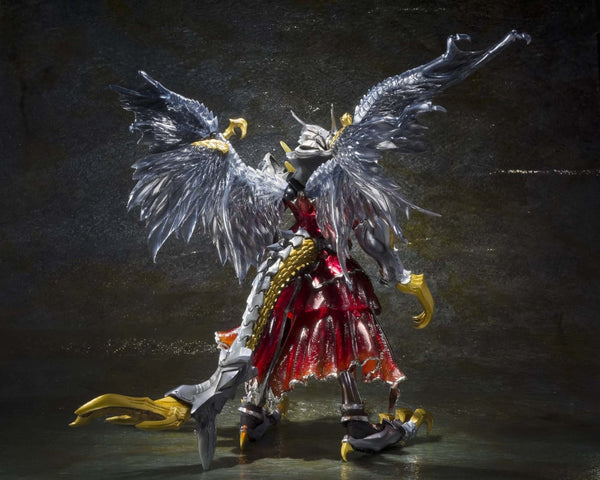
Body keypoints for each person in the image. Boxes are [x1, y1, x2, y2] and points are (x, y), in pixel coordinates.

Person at [70, 31, 530, 470]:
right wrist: (406, 279)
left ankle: (252, 411)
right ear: (331, 154)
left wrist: (222, 141)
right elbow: (371, 241)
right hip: (324, 266)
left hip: (287, 260)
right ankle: (354, 423)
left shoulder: (275, 187)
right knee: (340, 330)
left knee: (277, 328)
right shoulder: (341, 184)